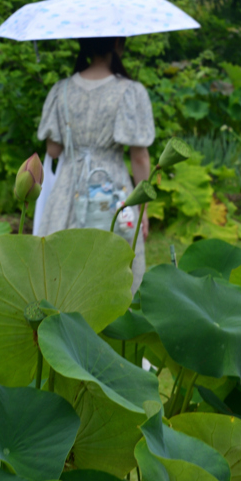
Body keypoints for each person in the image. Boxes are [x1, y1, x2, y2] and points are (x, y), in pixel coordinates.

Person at [35, 36, 155, 292]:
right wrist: (142, 208)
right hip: (111, 187)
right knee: (112, 262)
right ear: (118, 45)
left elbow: (53, 151)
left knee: (61, 262)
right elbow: (139, 156)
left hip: (70, 186)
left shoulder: (62, 89)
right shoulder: (130, 92)